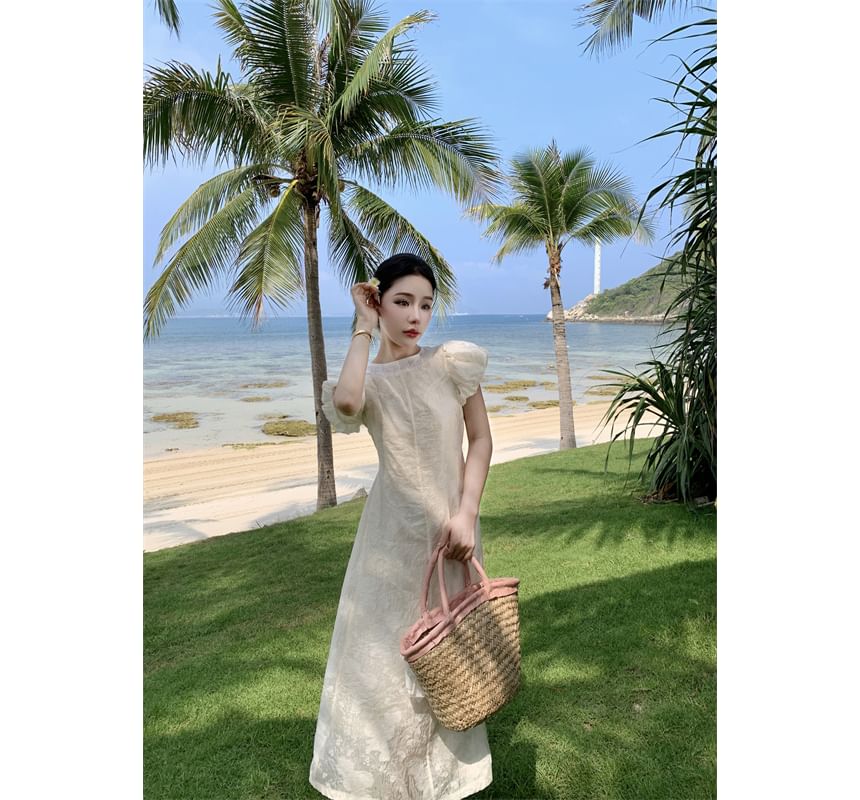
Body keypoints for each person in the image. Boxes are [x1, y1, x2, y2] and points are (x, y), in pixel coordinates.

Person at [309, 253, 495, 799]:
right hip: (390, 540)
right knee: (385, 662)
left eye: (426, 305)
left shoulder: (451, 364)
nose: (416, 316)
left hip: (452, 532)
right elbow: (346, 403)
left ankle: (442, 781)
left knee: (447, 656)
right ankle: (389, 784)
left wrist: (467, 512)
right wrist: (363, 327)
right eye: (402, 302)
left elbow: (481, 440)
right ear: (379, 302)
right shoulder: (367, 380)